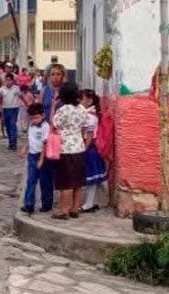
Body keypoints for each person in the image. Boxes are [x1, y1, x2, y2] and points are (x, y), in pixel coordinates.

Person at [52, 82, 87, 219]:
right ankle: (75, 208)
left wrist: (53, 107)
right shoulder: (82, 109)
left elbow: (54, 124)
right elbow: (84, 125)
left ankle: (64, 211)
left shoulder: (63, 110)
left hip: (65, 148)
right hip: (79, 147)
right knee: (77, 181)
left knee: (65, 182)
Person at [20, 103, 54, 214]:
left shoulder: (45, 126)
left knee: (45, 181)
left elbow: (45, 144)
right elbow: (30, 139)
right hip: (32, 155)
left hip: (42, 156)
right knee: (30, 180)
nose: (34, 120)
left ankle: (47, 204)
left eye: (36, 118)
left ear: (43, 115)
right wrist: (25, 148)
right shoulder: (31, 125)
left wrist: (41, 159)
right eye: (32, 118)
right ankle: (29, 204)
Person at [80, 89, 108, 213]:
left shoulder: (90, 117)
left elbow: (90, 135)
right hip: (91, 147)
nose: (79, 101)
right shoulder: (90, 114)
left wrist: (84, 149)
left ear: (89, 101)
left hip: (89, 147)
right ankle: (94, 201)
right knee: (93, 177)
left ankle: (89, 204)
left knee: (91, 177)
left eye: (82, 99)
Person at [0, 73, 22, 150]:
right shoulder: (1, 89)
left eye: (10, 80)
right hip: (5, 109)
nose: (8, 82)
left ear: (12, 81)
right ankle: (10, 142)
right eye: (6, 80)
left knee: (12, 125)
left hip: (14, 108)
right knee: (7, 126)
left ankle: (14, 143)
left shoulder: (16, 88)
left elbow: (21, 96)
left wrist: (27, 104)